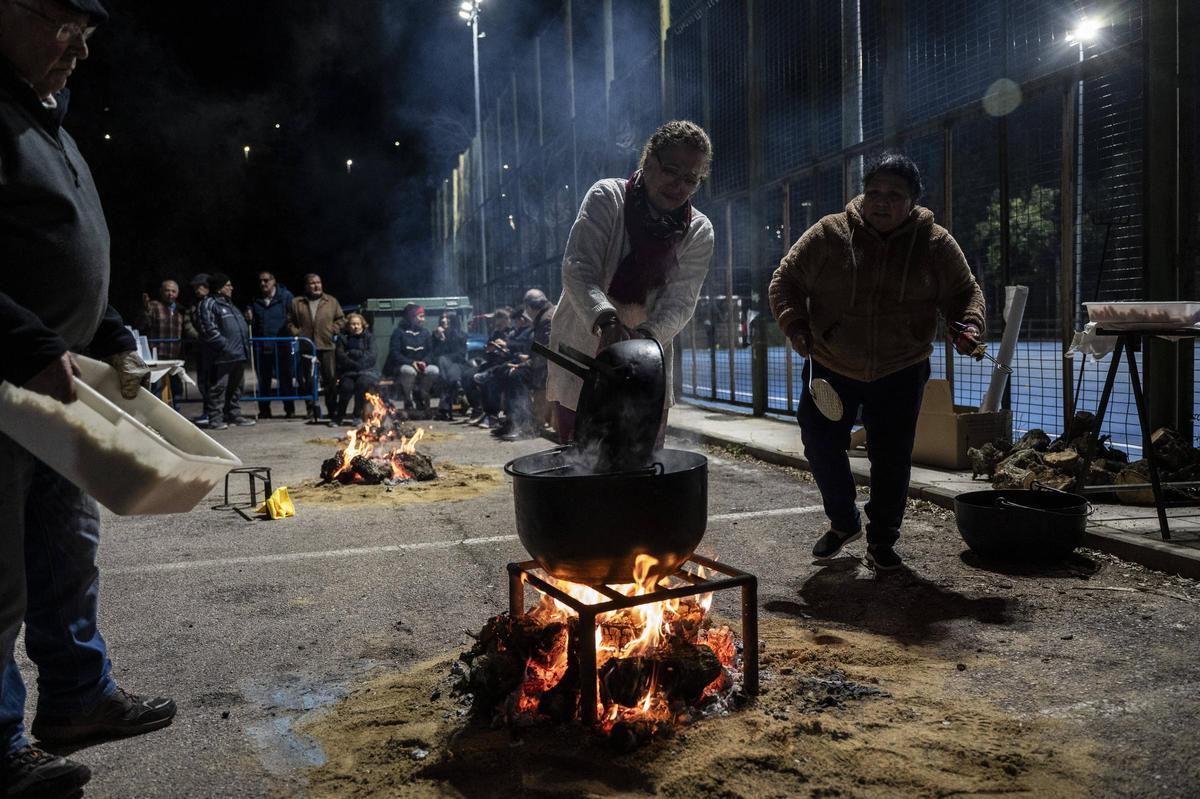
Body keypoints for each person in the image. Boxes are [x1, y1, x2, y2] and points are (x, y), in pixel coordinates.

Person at [0, 2, 175, 796]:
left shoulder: (50, 126)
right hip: (7, 385)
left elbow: (64, 256)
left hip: (57, 388)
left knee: (68, 549)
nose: (80, 45)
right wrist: (28, 341)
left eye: (90, 29)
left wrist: (106, 332)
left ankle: (76, 696)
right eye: (64, 21)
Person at [769, 152, 986, 571]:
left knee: (892, 457)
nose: (882, 202)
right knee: (819, 443)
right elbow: (787, 280)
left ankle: (882, 540)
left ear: (913, 201)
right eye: (874, 193)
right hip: (831, 364)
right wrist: (796, 325)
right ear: (863, 195)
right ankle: (843, 521)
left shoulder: (935, 243)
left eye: (894, 195)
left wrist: (969, 326)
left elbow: (965, 292)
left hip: (901, 368)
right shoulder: (829, 233)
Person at [546, 120, 716, 446]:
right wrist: (607, 321)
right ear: (648, 161)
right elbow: (578, 269)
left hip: (646, 362)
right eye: (670, 170)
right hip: (583, 345)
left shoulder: (698, 230)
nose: (678, 185)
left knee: (642, 463)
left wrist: (645, 339)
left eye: (690, 179)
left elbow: (681, 302)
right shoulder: (607, 198)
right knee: (580, 460)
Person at [492, 290, 555, 441]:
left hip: (550, 369)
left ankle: (524, 424)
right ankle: (513, 421)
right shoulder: (549, 313)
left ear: (530, 307)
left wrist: (522, 365)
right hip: (548, 366)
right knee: (510, 372)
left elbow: (544, 355)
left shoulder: (545, 319)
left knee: (516, 376)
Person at [197, 273, 254, 429]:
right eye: (228, 285)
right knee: (218, 388)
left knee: (236, 387)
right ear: (220, 288)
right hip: (222, 356)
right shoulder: (209, 303)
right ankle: (215, 418)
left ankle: (233, 415)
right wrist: (224, 346)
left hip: (237, 354)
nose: (231, 287)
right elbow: (208, 329)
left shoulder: (230, 304)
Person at [286, 272, 344, 422]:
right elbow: (289, 321)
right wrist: (297, 333)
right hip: (307, 347)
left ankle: (332, 410)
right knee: (308, 380)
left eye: (318, 282)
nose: (316, 285)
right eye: (312, 283)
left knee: (330, 380)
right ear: (306, 286)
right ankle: (311, 410)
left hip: (326, 346)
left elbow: (341, 319)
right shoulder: (297, 302)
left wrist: (333, 330)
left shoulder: (331, 301)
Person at [245, 270, 296, 419]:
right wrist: (248, 314)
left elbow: (293, 316)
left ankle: (289, 409)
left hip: (282, 345)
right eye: (260, 281)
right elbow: (251, 319)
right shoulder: (255, 299)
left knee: (285, 379)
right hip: (262, 346)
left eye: (266, 280)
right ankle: (264, 410)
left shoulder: (285, 297)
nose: (263, 283)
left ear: (274, 281)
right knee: (264, 380)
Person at [134, 278, 184, 408]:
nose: (170, 294)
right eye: (167, 291)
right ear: (161, 292)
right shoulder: (154, 306)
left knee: (176, 388)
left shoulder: (180, 310)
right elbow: (141, 325)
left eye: (173, 291)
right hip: (157, 355)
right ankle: (157, 417)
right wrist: (145, 309)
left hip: (174, 355)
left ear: (177, 294)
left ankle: (177, 415)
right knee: (156, 389)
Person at [384, 303, 439, 417]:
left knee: (434, 370)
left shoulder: (425, 333)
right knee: (409, 371)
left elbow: (431, 352)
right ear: (412, 317)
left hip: (421, 364)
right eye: (420, 316)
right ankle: (408, 399)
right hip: (404, 365)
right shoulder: (399, 332)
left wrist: (424, 362)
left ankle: (422, 396)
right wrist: (411, 362)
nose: (423, 319)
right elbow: (395, 353)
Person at [332, 313, 380, 426]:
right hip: (349, 371)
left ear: (362, 325)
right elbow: (341, 356)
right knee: (346, 387)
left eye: (358, 324)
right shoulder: (342, 338)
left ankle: (357, 415)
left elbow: (372, 355)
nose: (356, 327)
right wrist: (355, 363)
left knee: (362, 385)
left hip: (367, 371)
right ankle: (339, 416)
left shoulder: (369, 337)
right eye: (353, 324)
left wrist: (353, 353)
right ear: (348, 326)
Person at [183, 272, 211, 423]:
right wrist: (198, 336)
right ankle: (207, 411)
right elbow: (187, 323)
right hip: (200, 349)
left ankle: (214, 412)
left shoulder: (214, 302)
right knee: (203, 382)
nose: (196, 290)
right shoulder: (193, 304)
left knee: (213, 383)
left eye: (198, 287)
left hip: (214, 349)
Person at [432, 311, 468, 421]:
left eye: (447, 318)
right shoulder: (436, 335)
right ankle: (457, 397)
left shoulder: (460, 335)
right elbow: (433, 355)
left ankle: (444, 409)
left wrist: (447, 357)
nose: (443, 320)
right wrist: (440, 339)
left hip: (458, 365)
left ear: (453, 320)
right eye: (442, 318)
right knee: (448, 372)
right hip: (443, 367)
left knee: (449, 372)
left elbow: (460, 355)